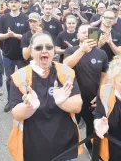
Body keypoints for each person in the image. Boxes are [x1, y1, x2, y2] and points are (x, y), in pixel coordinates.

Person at [8, 33, 83, 161]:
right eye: (38, 48)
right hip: (33, 146)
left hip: (63, 143)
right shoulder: (20, 76)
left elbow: (77, 106)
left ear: (54, 50)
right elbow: (17, 114)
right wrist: (29, 107)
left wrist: (61, 103)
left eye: (48, 47)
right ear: (31, 52)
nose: (44, 50)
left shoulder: (66, 72)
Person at [64, 24, 108, 158]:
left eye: (88, 32)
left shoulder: (101, 53)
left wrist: (100, 93)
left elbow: (104, 75)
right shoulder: (71, 50)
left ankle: (89, 146)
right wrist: (82, 50)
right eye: (82, 32)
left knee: (91, 125)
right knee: (70, 125)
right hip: (73, 97)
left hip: (92, 98)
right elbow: (66, 65)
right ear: (77, 35)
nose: (85, 34)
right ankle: (68, 149)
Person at [0, 0, 29, 112]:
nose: (13, 4)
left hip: (22, 56)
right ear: (8, 5)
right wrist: (8, 35)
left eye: (15, 2)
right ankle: (10, 100)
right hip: (7, 55)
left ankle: (23, 99)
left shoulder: (25, 18)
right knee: (9, 79)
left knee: (24, 79)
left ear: (19, 4)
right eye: (11, 2)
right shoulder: (3, 18)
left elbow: (27, 37)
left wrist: (15, 35)